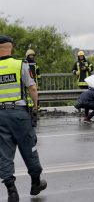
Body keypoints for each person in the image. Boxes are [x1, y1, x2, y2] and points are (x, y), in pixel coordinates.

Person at [0, 35, 47, 202]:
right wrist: (35, 106)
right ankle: (35, 183)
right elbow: (32, 89)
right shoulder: (21, 64)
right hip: (19, 113)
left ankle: (11, 191)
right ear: (10, 47)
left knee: (3, 153)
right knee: (29, 148)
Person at [25, 49, 41, 127]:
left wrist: (40, 81)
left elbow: (38, 73)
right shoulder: (25, 63)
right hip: (27, 84)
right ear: (27, 56)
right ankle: (30, 116)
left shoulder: (35, 63)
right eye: (30, 55)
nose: (31, 56)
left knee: (36, 100)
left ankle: (34, 117)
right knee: (29, 100)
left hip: (35, 83)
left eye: (32, 55)